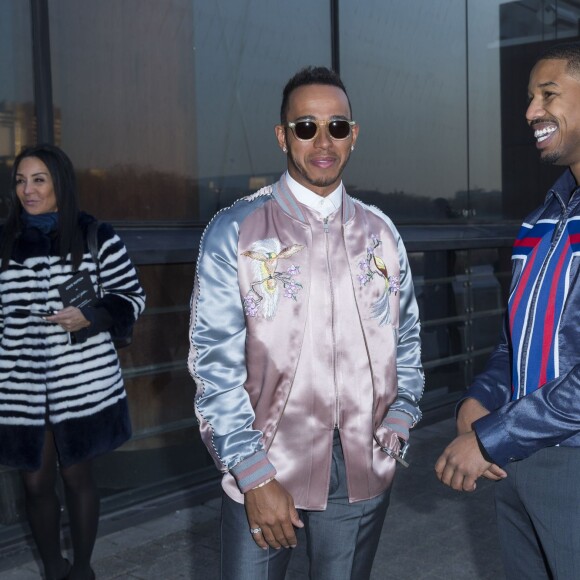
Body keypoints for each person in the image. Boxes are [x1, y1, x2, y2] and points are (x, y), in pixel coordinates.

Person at [188, 66, 423, 580]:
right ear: (283, 136)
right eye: (305, 126)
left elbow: (405, 339)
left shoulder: (381, 233)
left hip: (363, 470)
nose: (323, 141)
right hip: (267, 470)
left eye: (337, 126)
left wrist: (399, 422)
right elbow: (213, 367)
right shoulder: (236, 232)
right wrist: (253, 476)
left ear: (353, 136)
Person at [435, 41, 580, 579]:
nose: (530, 112)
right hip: (517, 462)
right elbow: (515, 341)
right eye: (529, 97)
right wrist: (480, 401)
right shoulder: (540, 219)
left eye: (549, 95)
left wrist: (492, 438)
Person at [0, 144, 145, 580]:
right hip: (21, 387)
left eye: (38, 179)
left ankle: (81, 568)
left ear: (59, 183)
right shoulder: (5, 241)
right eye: (21, 180)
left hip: (81, 385)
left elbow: (132, 299)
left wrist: (90, 315)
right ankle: (53, 568)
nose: (28, 189)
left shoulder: (94, 235)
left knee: (78, 476)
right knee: (35, 482)